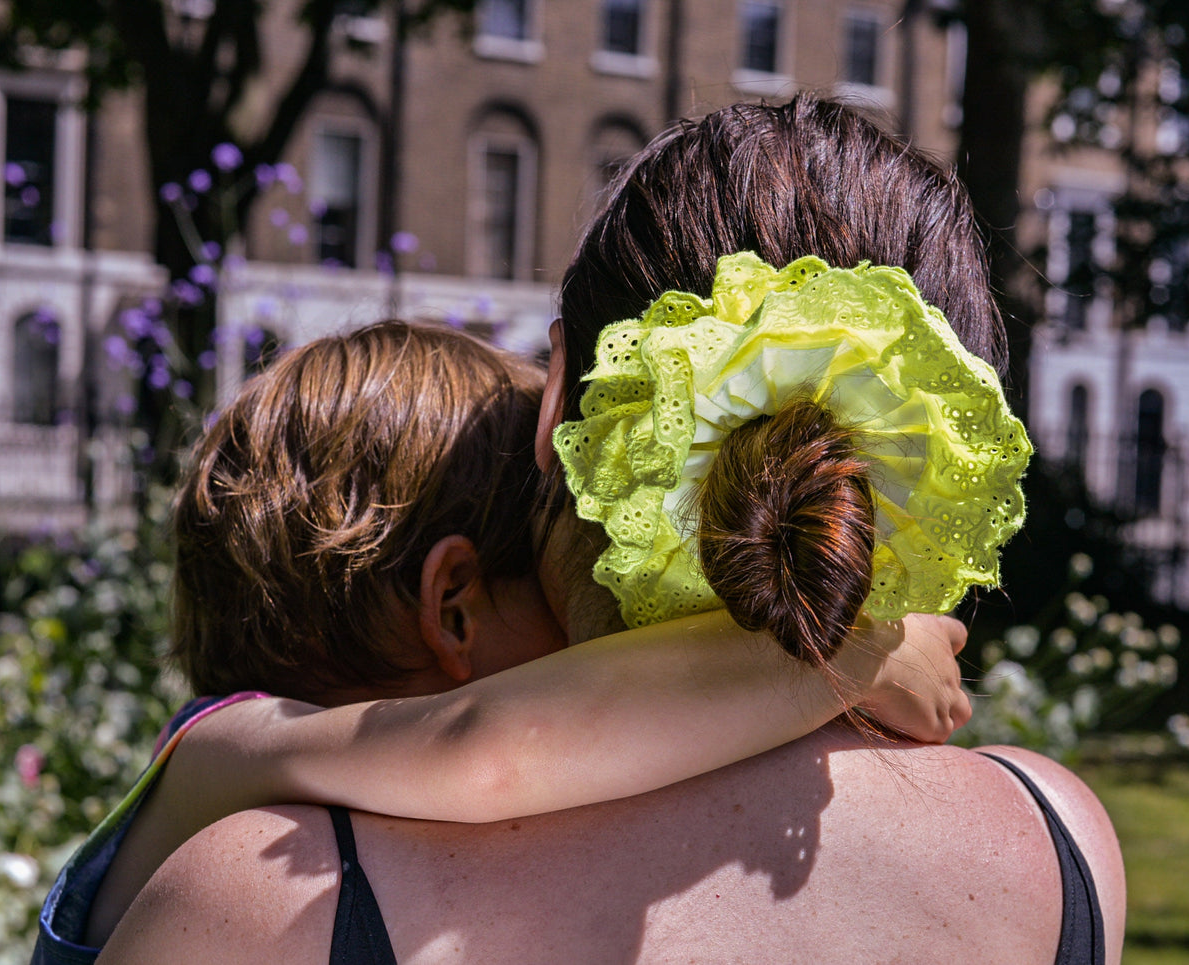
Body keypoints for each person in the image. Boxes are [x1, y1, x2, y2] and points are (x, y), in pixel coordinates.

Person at [95, 94, 1124, 964]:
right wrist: (846, 641)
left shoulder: (263, 896)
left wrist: (847, 652)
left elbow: (485, 750)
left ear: (562, 410)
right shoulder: (1058, 841)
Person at [33, 321, 971, 963]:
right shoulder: (220, 750)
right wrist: (852, 653)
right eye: (574, 596)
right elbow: (485, 748)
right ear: (455, 610)